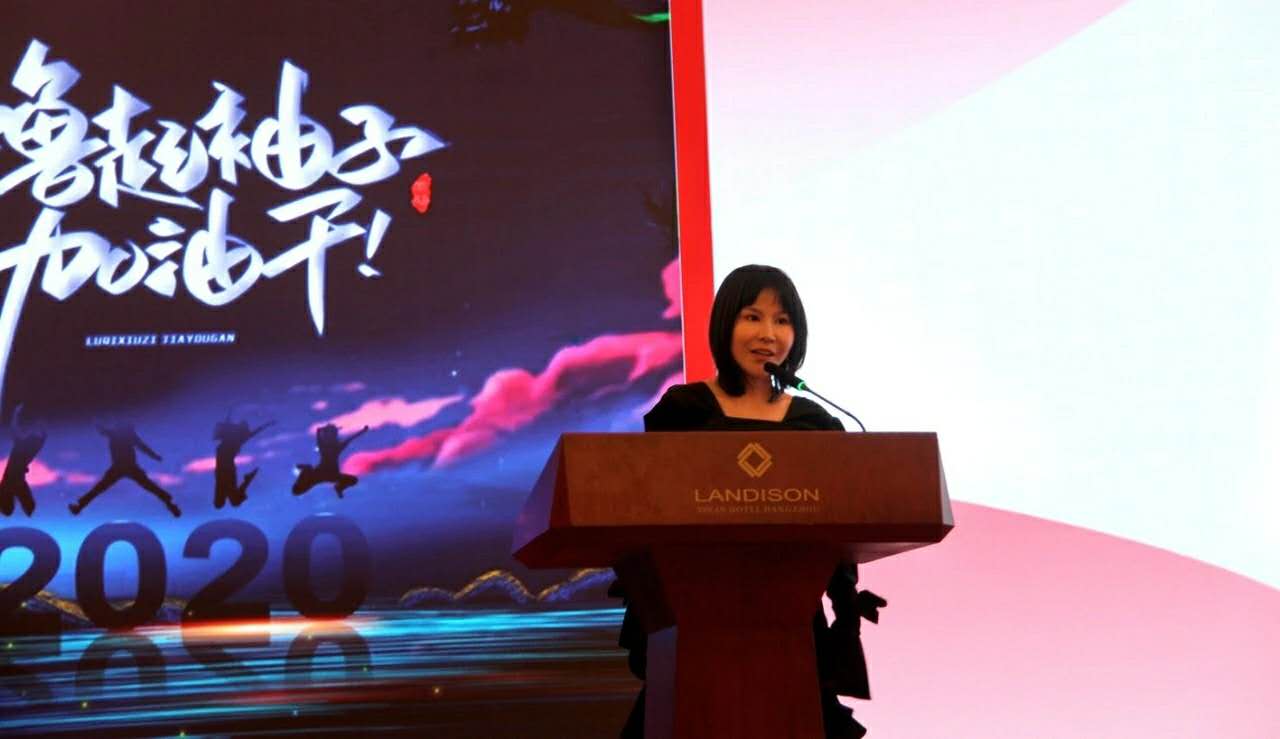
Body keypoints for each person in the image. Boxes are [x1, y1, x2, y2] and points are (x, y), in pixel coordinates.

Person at [615, 264, 885, 739]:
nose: (768, 335)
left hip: (792, 626)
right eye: (752, 317)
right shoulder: (683, 412)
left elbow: (837, 528)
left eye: (782, 321)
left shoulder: (815, 424)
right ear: (726, 324)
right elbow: (644, 510)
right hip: (694, 623)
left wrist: (845, 608)